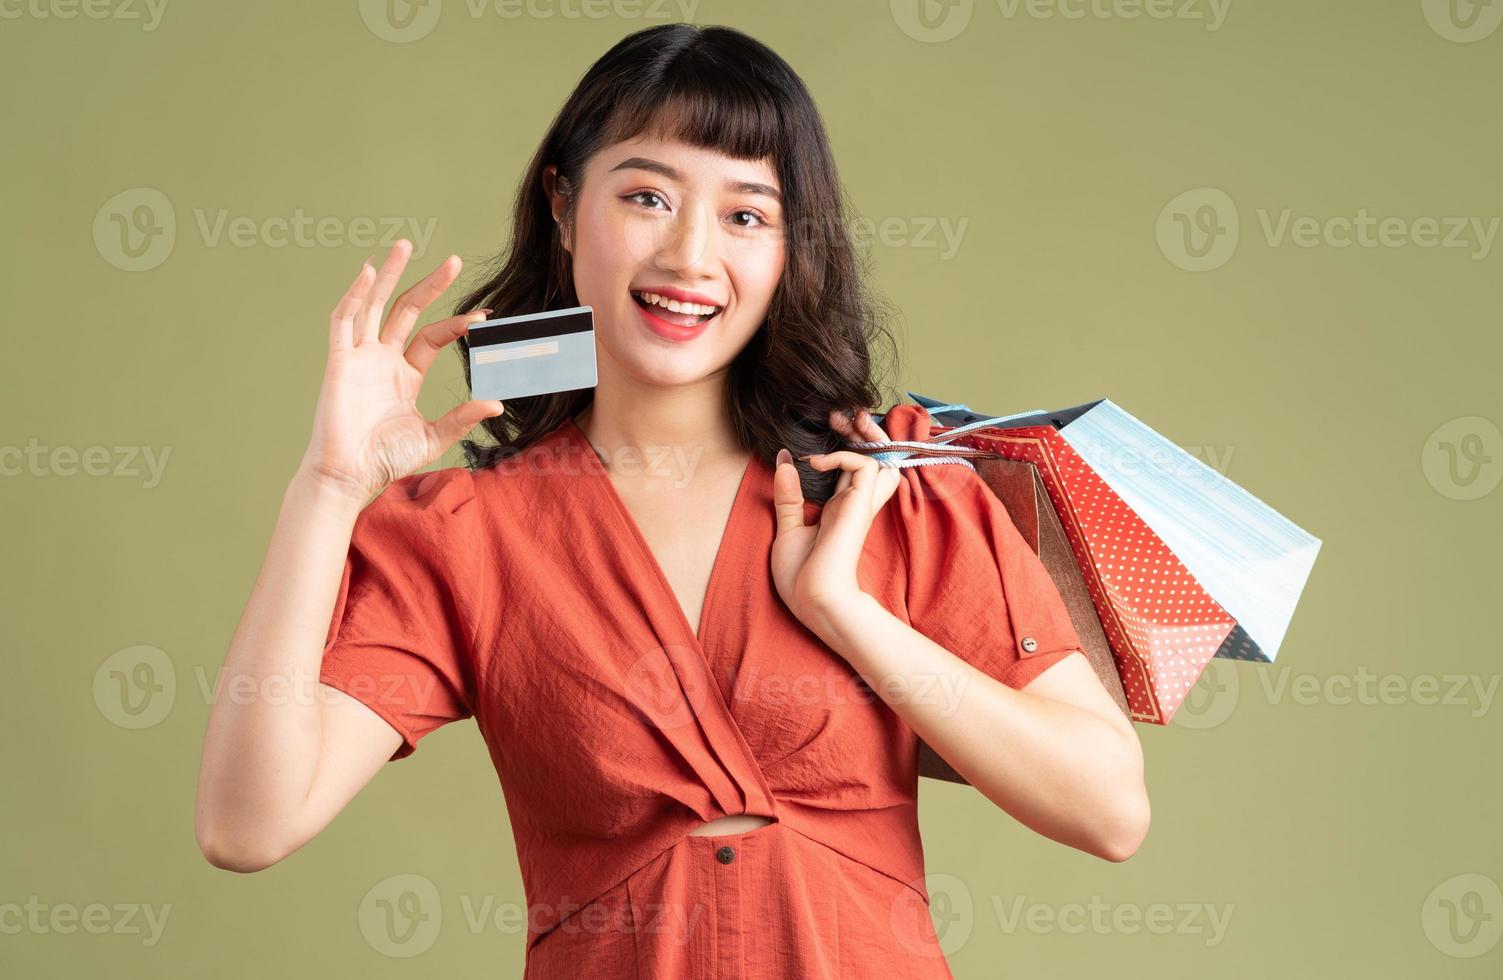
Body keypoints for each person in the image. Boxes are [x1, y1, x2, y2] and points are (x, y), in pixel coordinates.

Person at [194, 23, 1148, 978]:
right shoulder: (463, 534)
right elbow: (249, 823)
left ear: (789, 249)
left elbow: (1107, 810)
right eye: (646, 197)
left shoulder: (885, 484)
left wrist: (843, 612)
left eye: (746, 215)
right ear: (563, 206)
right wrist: (326, 492)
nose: (691, 256)